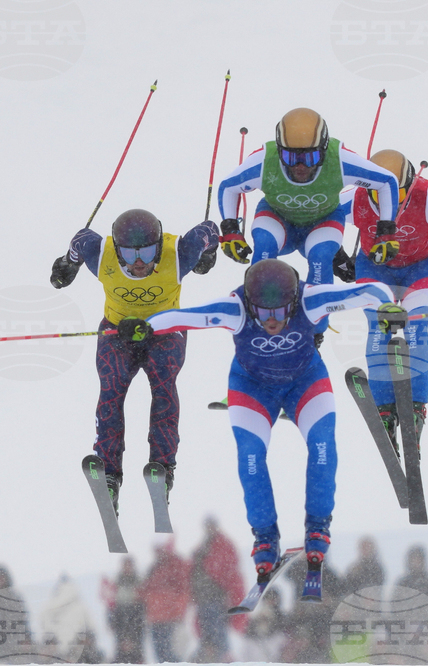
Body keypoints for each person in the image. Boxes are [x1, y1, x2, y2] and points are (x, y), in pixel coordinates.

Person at [142, 258, 398, 575]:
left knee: (322, 447)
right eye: (263, 313)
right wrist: (145, 326)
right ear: (251, 304)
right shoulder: (235, 307)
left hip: (304, 382)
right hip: (252, 388)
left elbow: (372, 291)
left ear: (293, 301)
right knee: (251, 457)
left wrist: (388, 308)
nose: (271, 320)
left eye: (279, 312)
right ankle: (265, 536)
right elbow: (183, 317)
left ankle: (318, 526)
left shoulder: (311, 299)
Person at [49, 208, 219, 513]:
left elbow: (209, 228)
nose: (139, 262)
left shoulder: (180, 253)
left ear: (159, 246)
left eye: (149, 252)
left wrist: (209, 252)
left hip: (165, 332)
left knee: (164, 388)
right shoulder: (100, 254)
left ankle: (163, 467)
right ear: (117, 249)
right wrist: (67, 265)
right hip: (118, 332)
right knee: (111, 392)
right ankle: (109, 472)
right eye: (128, 253)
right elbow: (79, 240)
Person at [341, 149, 428, 453]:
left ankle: (416, 410)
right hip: (374, 268)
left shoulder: (426, 195)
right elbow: (323, 220)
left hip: (422, 269)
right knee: (379, 329)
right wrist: (337, 255)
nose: (388, 200)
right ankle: (384, 411)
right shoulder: (355, 197)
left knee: (416, 329)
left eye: (398, 192)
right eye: (378, 192)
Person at [214, 108, 400, 287]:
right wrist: (230, 230)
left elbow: (386, 182)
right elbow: (229, 187)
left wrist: (386, 231)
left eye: (311, 157)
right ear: (278, 151)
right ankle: (257, 311)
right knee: (264, 248)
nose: (300, 166)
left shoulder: (340, 160)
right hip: (277, 217)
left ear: (325, 149)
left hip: (322, 221)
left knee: (320, 256)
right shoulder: (264, 161)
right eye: (289, 157)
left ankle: (317, 318)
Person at [190, 516, 246, 662]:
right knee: (207, 638)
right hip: (204, 600)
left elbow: (227, 572)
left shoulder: (221, 545)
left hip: (216, 599)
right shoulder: (206, 545)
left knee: (217, 638)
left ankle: (222, 660)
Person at [139, 540, 191, 663]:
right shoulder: (154, 568)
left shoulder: (174, 565)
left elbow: (183, 589)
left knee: (171, 654)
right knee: (161, 655)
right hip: (156, 619)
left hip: (170, 618)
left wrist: (178, 611)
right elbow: (145, 590)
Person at [107, 557, 145, 664]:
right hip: (120, 615)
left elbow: (143, 599)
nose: (127, 568)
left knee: (136, 647)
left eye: (129, 565)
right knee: (120, 646)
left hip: (135, 614)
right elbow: (111, 602)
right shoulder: (117, 581)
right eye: (125, 565)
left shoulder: (138, 580)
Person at [394, 545, 428, 618]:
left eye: (418, 559)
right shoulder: (402, 583)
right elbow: (394, 606)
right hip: (405, 627)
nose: (416, 562)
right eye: (413, 559)